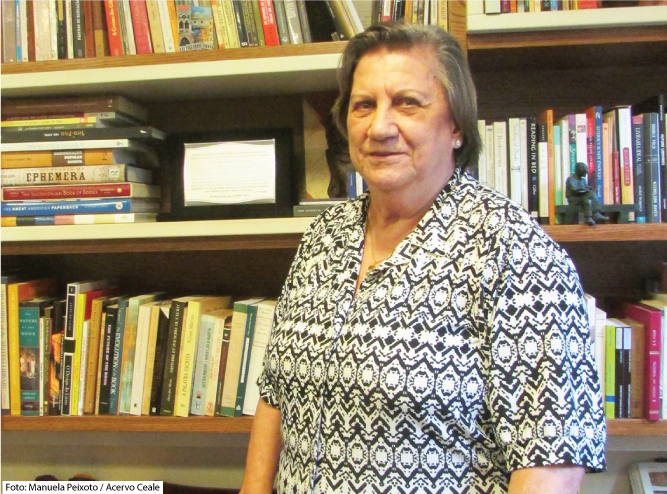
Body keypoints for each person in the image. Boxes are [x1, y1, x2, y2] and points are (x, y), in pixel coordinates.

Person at [240, 24, 606, 494]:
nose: (379, 127)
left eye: (407, 103)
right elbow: (275, 393)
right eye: (363, 105)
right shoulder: (323, 238)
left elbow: (551, 458)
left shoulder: (516, 253)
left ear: (456, 125)